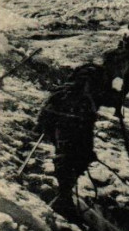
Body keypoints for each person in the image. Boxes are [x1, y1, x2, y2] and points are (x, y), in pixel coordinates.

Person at [34, 72, 101, 218]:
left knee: (80, 161)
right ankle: (64, 198)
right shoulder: (61, 95)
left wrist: (89, 149)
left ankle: (66, 194)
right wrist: (42, 127)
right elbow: (45, 113)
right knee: (64, 160)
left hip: (79, 135)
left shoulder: (86, 100)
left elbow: (89, 126)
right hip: (62, 132)